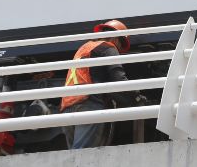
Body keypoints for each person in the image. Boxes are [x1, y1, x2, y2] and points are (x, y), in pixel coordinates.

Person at [60, 19, 146, 149]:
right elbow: (119, 79)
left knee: (74, 155)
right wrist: (136, 96)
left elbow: (101, 83)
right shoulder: (109, 47)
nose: (119, 51)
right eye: (120, 47)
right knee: (82, 156)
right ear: (117, 39)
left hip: (67, 107)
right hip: (87, 106)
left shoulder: (84, 49)